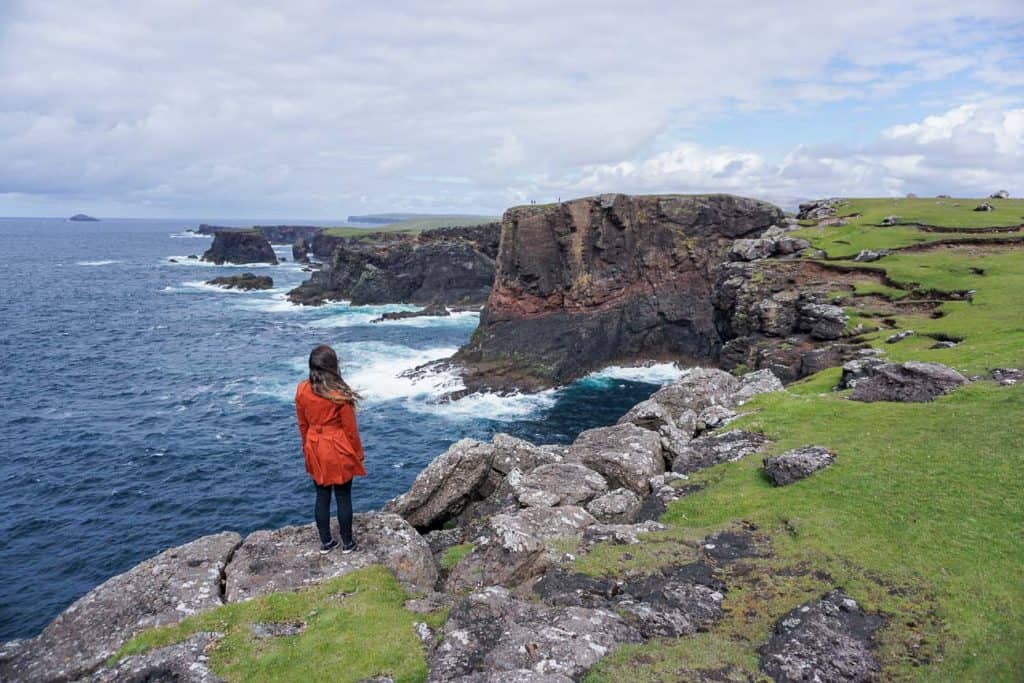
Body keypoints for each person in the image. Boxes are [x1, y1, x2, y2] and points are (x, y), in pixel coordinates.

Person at [295, 344, 366, 554]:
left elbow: (302, 424)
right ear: (334, 366)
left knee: (322, 495)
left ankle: (326, 542)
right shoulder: (339, 394)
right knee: (343, 496)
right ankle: (348, 543)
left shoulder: (301, 390)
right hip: (337, 448)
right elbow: (350, 430)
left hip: (314, 446)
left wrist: (306, 447)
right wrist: (357, 454)